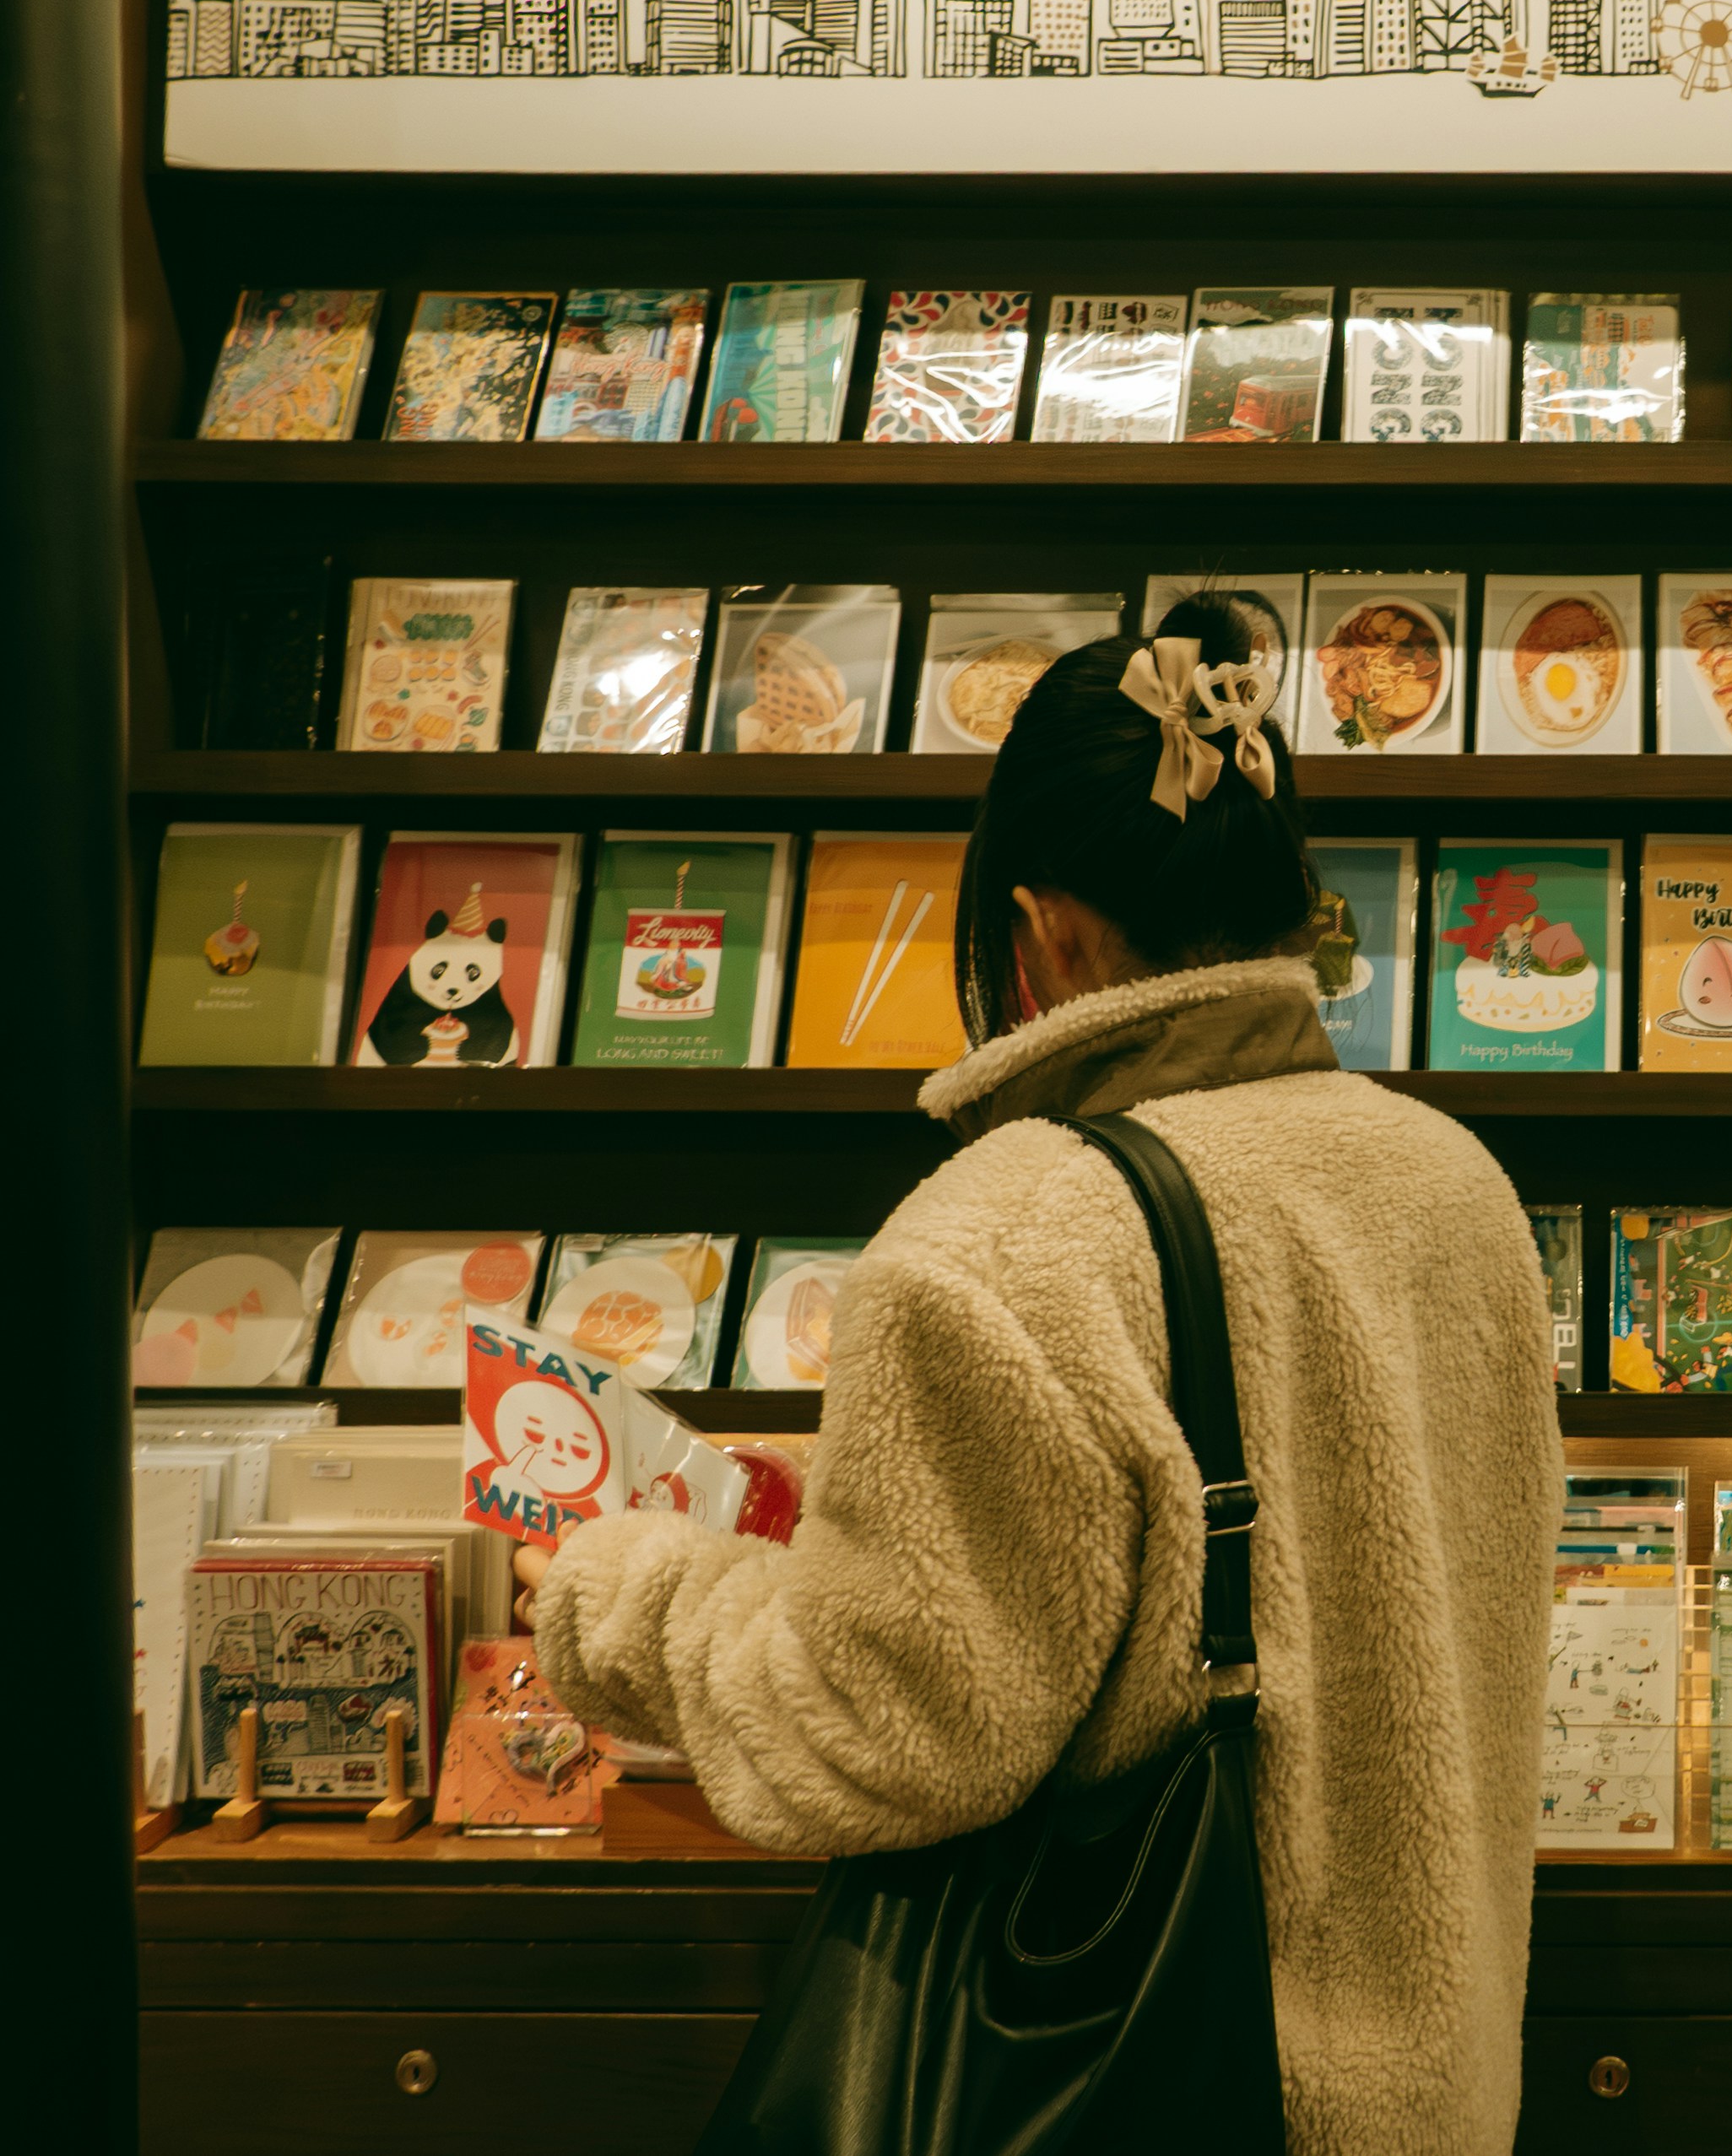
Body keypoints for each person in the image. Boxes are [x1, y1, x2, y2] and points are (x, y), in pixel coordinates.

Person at [522, 598, 1562, 2156]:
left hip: (1170, 2087)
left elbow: (879, 1729)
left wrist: (622, 1593)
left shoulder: (1005, 1235)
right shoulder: (1453, 1181)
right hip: (1437, 2090)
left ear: (1045, 930)